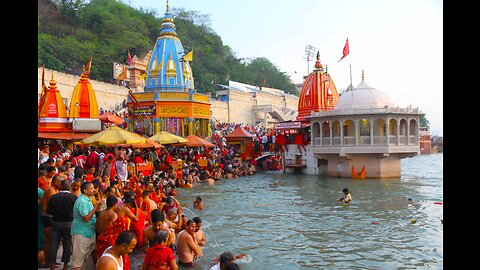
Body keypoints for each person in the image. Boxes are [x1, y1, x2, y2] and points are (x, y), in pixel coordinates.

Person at [46, 179, 78, 270]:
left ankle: (52, 266)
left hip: (56, 222)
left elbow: (48, 211)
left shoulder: (54, 197)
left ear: (60, 187)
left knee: (53, 244)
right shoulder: (73, 197)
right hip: (69, 223)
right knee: (67, 244)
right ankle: (65, 266)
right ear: (70, 187)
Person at [71, 181, 103, 270]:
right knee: (78, 261)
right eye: (92, 188)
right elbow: (86, 218)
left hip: (88, 231)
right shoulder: (82, 201)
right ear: (85, 190)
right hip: (81, 232)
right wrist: (96, 208)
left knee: (83, 259)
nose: (94, 190)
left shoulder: (87, 199)